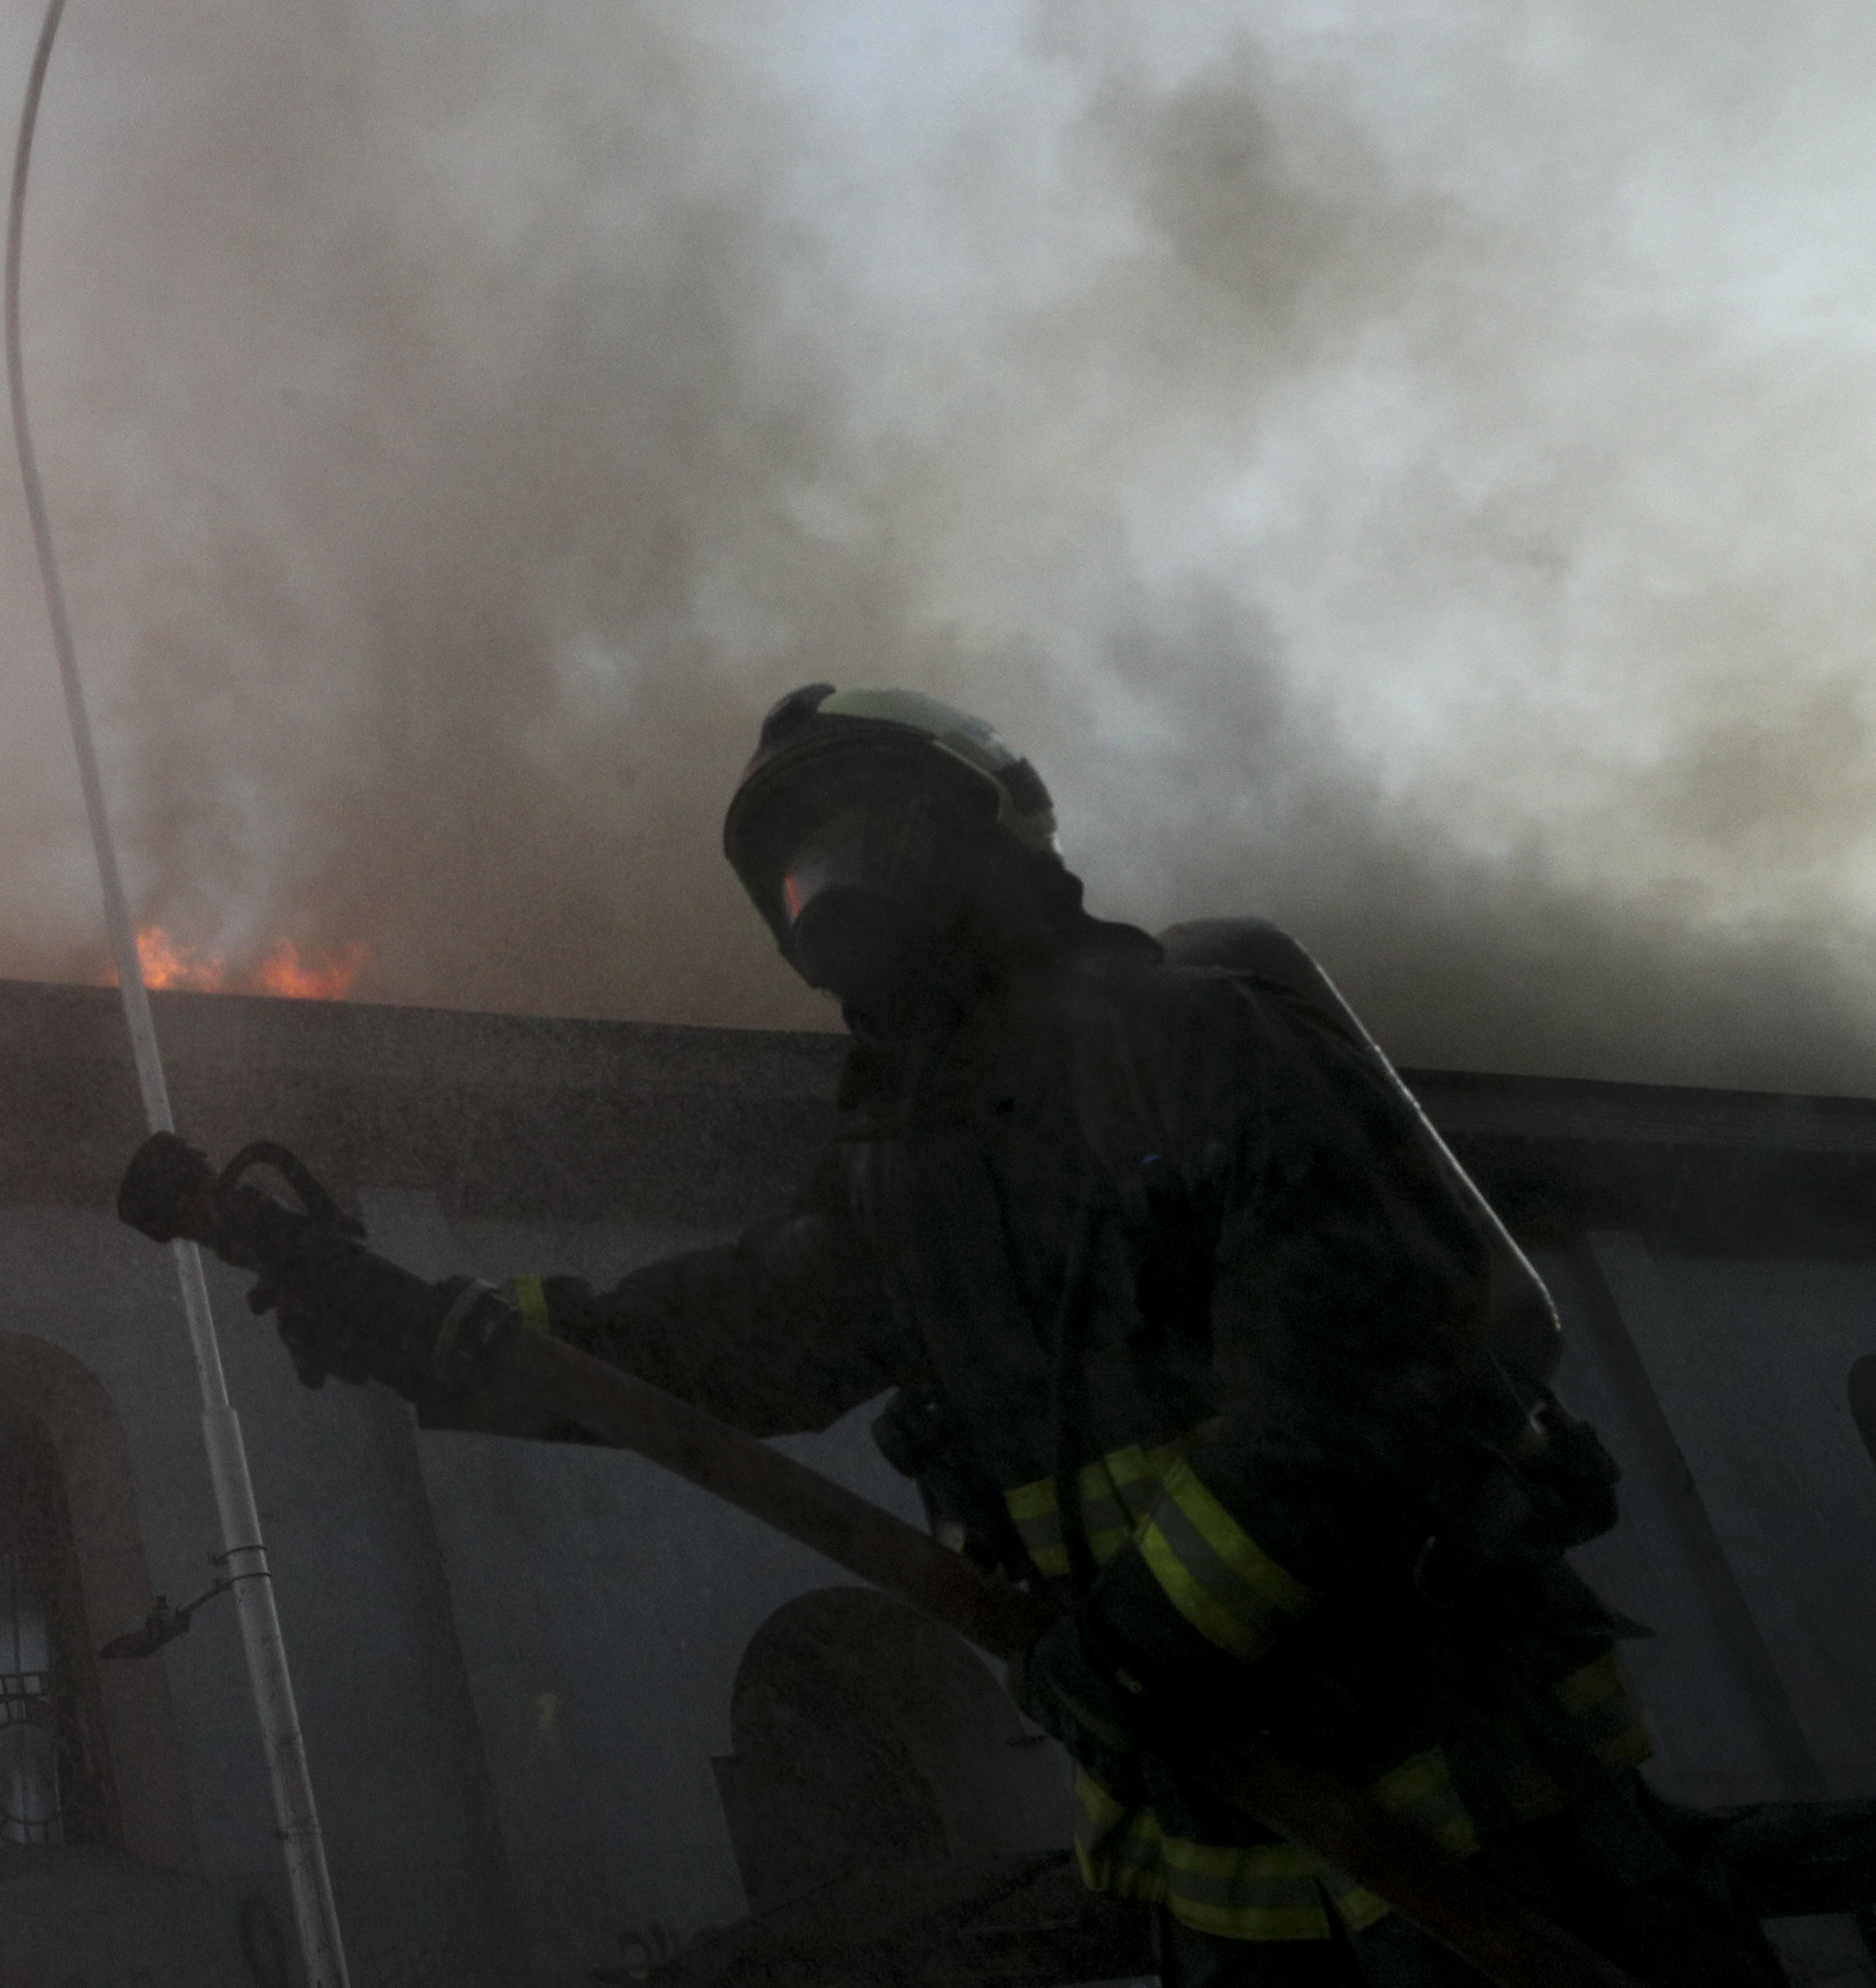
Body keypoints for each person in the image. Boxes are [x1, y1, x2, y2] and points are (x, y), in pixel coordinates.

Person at [255, 682, 1780, 1986]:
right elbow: (726, 1342)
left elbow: (1356, 1388)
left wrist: (1141, 1637)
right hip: (1224, 1857)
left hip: (1479, 1810)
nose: (829, 893)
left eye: (856, 840)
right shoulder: (907, 1176)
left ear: (980, 830)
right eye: (793, 877)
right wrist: (430, 1332)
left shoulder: (1197, 1042)